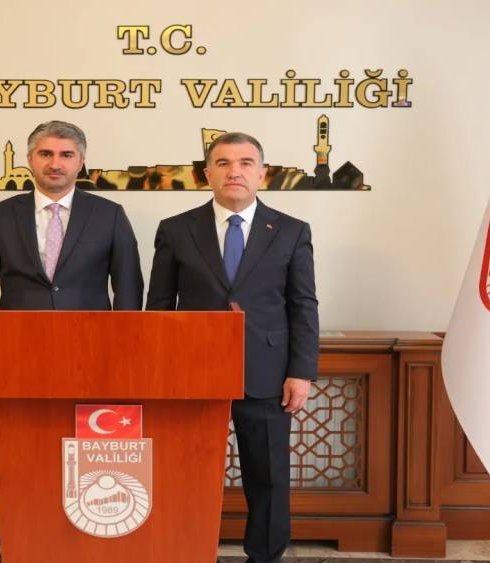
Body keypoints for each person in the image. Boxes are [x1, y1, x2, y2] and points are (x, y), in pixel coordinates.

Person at [146, 132, 319, 563]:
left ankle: (265, 555)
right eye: (223, 163)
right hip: (191, 374)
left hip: (266, 373)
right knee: (184, 473)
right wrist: (159, 371)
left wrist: (301, 372)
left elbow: (303, 305)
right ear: (207, 174)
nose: (234, 171)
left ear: (262, 173)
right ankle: (183, 551)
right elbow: (159, 307)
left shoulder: (291, 231)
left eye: (245, 162)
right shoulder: (176, 229)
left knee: (268, 476)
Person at [0, 121, 143, 312]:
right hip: (17, 330)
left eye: (66, 155)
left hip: (90, 330)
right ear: (30, 159)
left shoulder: (110, 215)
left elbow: (129, 290)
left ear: (81, 162)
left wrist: (125, 332)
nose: (55, 164)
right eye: (45, 154)